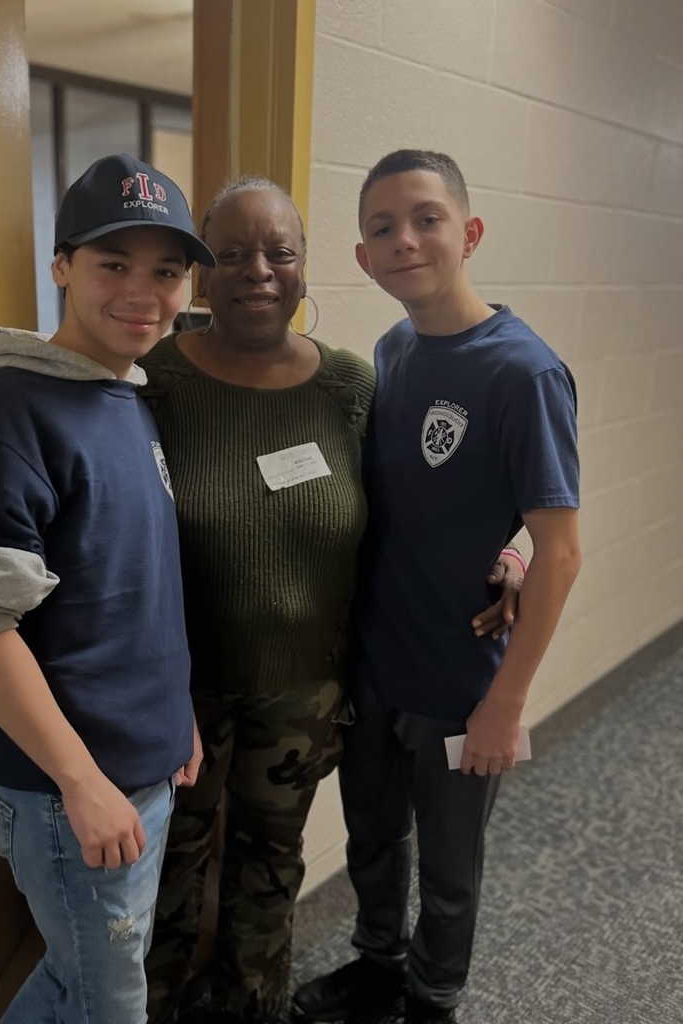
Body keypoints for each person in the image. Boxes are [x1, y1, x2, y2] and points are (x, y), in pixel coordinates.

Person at [138, 177, 526, 1024]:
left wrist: (507, 551)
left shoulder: (348, 385)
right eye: (232, 253)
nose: (257, 271)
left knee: (270, 869)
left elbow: (420, 498)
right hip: (181, 692)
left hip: (304, 692)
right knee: (168, 874)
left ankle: (253, 1006)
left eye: (278, 252)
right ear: (203, 269)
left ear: (305, 265)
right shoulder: (154, 383)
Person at [0, 154, 213, 1024]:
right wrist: (82, 783)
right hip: (65, 786)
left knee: (82, 977)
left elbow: (131, 589)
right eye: (113, 264)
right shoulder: (4, 417)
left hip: (137, 760)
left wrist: (173, 717)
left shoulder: (127, 396)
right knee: (104, 1000)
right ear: (61, 266)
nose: (142, 293)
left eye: (166, 271)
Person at [293, 150, 582, 1024]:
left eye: (426, 219)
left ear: (470, 233)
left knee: (450, 865)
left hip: (462, 685)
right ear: (362, 257)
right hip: (377, 666)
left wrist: (504, 705)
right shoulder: (393, 350)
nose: (405, 240)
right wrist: (512, 554)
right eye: (382, 228)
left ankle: (432, 998)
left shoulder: (522, 372)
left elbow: (560, 549)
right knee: (374, 837)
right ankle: (379, 965)